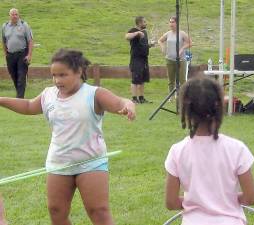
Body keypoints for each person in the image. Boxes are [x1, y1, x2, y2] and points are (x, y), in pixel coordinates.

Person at [0, 49, 136, 225]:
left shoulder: (94, 94)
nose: (57, 80)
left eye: (63, 75)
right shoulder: (48, 95)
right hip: (59, 162)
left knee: (98, 212)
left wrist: (129, 106)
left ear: (79, 71)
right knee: (57, 212)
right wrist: (1, 100)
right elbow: (27, 106)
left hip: (91, 161)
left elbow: (121, 102)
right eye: (54, 75)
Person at [164, 77, 254, 225]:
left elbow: (171, 202)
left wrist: (196, 205)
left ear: (186, 110)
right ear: (219, 107)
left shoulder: (177, 151)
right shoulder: (236, 148)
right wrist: (229, 201)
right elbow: (251, 198)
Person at [1, 8, 33, 98]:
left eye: (16, 14)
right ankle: (19, 94)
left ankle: (20, 98)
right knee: (13, 75)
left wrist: (29, 55)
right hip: (10, 55)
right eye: (13, 14)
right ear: (9, 16)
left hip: (22, 54)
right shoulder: (5, 26)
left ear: (19, 15)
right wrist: (5, 54)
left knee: (21, 76)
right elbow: (3, 41)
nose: (15, 16)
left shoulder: (24, 25)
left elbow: (30, 40)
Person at [158, 16, 192, 96]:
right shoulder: (168, 34)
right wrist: (162, 46)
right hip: (169, 59)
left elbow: (190, 43)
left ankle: (184, 96)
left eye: (173, 22)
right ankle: (171, 97)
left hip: (181, 60)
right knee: (171, 80)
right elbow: (160, 40)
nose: (171, 24)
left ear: (177, 23)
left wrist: (182, 48)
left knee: (182, 80)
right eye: (170, 22)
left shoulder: (182, 33)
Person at [125, 16, 154, 104]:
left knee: (142, 80)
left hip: (144, 59)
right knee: (135, 80)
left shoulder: (144, 32)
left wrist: (150, 45)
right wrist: (137, 33)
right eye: (144, 22)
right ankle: (134, 99)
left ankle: (141, 98)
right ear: (139, 23)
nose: (146, 23)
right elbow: (127, 36)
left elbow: (142, 45)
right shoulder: (133, 30)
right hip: (136, 59)